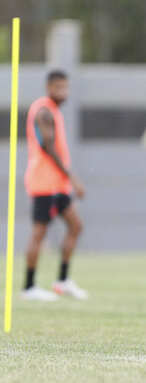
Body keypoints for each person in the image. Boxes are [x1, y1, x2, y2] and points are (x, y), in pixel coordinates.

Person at [21, 70, 88, 301]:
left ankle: (62, 281)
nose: (64, 92)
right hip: (44, 184)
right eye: (59, 87)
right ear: (49, 87)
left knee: (76, 226)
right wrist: (73, 178)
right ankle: (29, 287)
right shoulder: (44, 111)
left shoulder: (55, 110)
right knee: (39, 234)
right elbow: (49, 149)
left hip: (57, 185)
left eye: (66, 87)